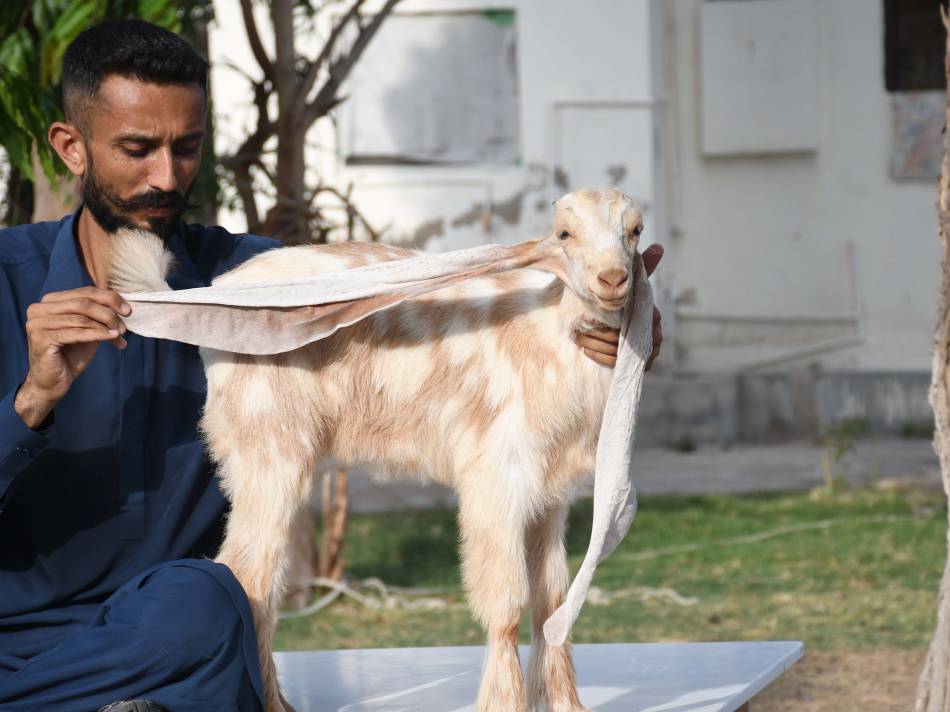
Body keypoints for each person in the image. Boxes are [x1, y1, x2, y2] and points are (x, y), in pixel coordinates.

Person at [0, 19, 663, 712]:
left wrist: (611, 325)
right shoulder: (5, 282)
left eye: (187, 148)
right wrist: (31, 400)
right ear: (71, 148)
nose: (166, 176)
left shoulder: (263, 281)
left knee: (207, 602)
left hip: (169, 627)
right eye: (137, 149)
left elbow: (434, 300)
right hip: (18, 633)